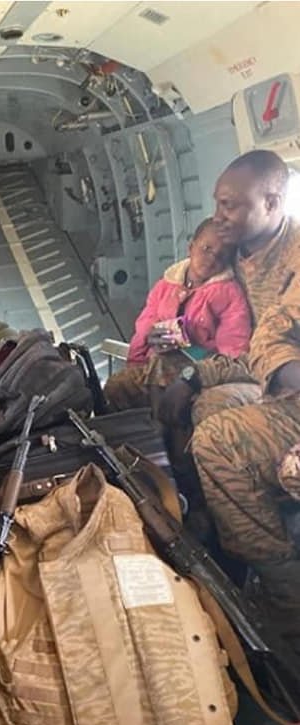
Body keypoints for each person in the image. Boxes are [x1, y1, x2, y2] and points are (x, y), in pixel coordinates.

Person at [157, 152, 300, 660]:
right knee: (195, 399)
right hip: (271, 386)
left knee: (219, 433)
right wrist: (195, 375)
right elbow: (251, 346)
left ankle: (284, 599)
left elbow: (271, 340)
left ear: (272, 202)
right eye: (218, 204)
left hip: (287, 396)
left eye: (231, 205)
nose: (219, 216)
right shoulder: (240, 256)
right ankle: (216, 534)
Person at [104, 218, 251, 412]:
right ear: (191, 247)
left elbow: (233, 351)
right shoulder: (166, 285)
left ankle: (159, 427)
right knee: (117, 386)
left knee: (163, 362)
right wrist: (145, 345)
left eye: (221, 256)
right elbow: (144, 326)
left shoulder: (229, 295)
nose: (211, 259)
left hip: (195, 373)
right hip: (152, 366)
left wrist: (198, 357)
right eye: (206, 248)